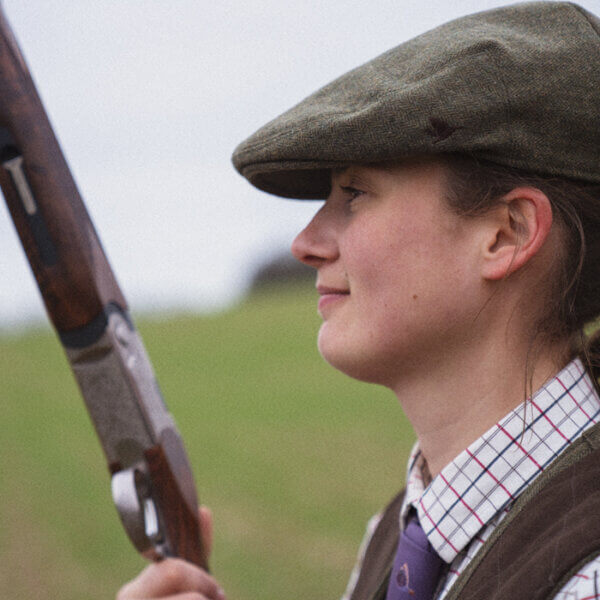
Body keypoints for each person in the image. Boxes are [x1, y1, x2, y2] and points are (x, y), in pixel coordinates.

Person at [117, 2, 600, 599]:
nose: (305, 243)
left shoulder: (586, 578)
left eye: (355, 193)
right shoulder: (401, 538)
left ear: (508, 234)